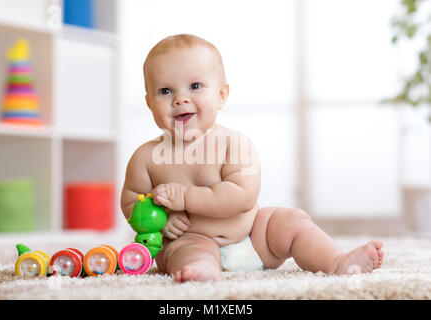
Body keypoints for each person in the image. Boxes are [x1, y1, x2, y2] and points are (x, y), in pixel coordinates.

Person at [120, 34, 384, 282]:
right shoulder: (146, 157)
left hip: (254, 238)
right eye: (165, 91)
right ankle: (201, 271)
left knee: (292, 221)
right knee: (183, 250)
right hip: (192, 238)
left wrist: (186, 199)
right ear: (149, 103)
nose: (180, 99)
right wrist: (164, 220)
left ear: (221, 95)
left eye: (195, 86)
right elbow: (133, 201)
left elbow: (241, 196)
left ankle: (337, 261)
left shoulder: (233, 144)